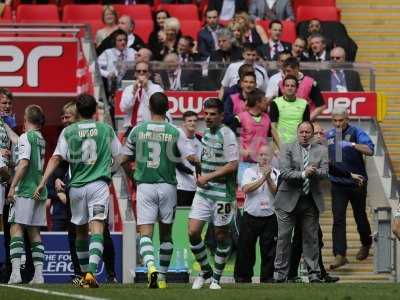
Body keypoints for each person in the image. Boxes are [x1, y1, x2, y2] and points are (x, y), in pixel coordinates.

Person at [34, 94, 121, 288]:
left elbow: (56, 158)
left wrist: (42, 182)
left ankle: (84, 276)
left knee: (80, 232)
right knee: (97, 228)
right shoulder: (106, 129)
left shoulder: (69, 131)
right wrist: (109, 170)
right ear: (95, 111)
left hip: (77, 188)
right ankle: (90, 273)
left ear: (78, 111)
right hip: (98, 185)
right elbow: (120, 156)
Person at [120, 92, 196, 289]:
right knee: (166, 234)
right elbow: (191, 156)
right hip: (168, 187)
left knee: (145, 233)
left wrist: (130, 176)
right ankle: (161, 276)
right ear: (167, 108)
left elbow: (123, 159)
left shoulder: (137, 130)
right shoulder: (175, 131)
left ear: (149, 108)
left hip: (145, 185)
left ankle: (151, 268)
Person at [188, 98, 239, 290]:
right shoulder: (207, 135)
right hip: (204, 192)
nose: (207, 118)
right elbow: (209, 160)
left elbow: (233, 165)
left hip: (222, 194)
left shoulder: (227, 135)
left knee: (221, 236)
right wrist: (197, 163)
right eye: (206, 114)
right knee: (193, 232)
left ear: (221, 116)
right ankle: (206, 270)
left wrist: (208, 176)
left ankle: (216, 279)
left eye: (212, 114)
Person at [273, 121, 328, 283]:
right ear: (297, 133)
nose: (304, 135)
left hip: (310, 200)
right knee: (283, 238)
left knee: (311, 239)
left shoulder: (322, 150)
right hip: (287, 199)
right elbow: (285, 172)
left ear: (312, 134)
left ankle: (314, 274)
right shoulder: (287, 148)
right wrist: (304, 174)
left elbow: (325, 173)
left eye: (307, 132)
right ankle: (279, 274)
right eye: (301, 132)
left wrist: (314, 171)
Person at [287, 122, 340, 283]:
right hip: (295, 200)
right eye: (316, 133)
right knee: (311, 237)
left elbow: (331, 169)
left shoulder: (319, 152)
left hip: (310, 201)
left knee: (305, 238)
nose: (319, 136)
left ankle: (302, 273)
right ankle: (313, 273)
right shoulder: (296, 151)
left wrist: (349, 175)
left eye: (320, 133)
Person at [326, 107, 374, 269]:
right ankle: (340, 255)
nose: (338, 123)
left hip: (357, 183)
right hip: (337, 182)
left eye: (341, 120)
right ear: (332, 121)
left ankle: (366, 243)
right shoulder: (329, 135)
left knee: (359, 216)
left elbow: (370, 150)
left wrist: (353, 144)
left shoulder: (356, 132)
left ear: (347, 119)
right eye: (335, 120)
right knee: (338, 219)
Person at [7, 105, 47, 284]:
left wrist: (12, 186)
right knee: (34, 232)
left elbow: (23, 164)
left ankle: (16, 273)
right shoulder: (40, 138)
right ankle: (39, 275)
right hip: (39, 190)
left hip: (25, 189)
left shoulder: (26, 137)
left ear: (26, 118)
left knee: (15, 227)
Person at [234, 145, 279, 283]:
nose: (263, 158)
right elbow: (246, 189)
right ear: (257, 157)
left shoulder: (277, 173)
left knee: (269, 251)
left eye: (266, 155)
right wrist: (263, 178)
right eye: (261, 155)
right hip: (250, 216)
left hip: (270, 217)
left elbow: (277, 192)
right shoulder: (249, 171)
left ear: (271, 157)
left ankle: (267, 278)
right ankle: (242, 277)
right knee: (245, 250)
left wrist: (269, 178)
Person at [120, 61, 172, 137]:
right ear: (135, 74)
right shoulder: (129, 89)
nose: (141, 73)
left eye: (144, 71)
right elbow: (124, 108)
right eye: (138, 71)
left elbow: (157, 106)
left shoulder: (156, 88)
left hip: (149, 129)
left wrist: (147, 89)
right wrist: (133, 92)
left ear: (149, 73)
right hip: (131, 129)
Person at [269, 75, 310, 146]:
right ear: (283, 88)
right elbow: (273, 128)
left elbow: (306, 127)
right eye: (287, 85)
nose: (289, 88)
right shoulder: (275, 103)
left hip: (298, 146)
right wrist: (280, 147)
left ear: (297, 88)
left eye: (292, 86)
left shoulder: (304, 103)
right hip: (280, 145)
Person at [176, 111, 202, 207]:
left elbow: (201, 162)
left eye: (195, 121)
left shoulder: (200, 140)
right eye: (189, 121)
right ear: (184, 123)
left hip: (197, 188)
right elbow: (177, 163)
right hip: (181, 187)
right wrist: (191, 173)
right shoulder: (177, 139)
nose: (192, 123)